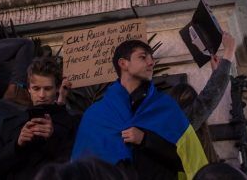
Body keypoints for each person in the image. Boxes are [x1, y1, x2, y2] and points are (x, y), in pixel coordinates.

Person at [72, 40, 208, 179]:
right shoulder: (95, 115)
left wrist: (146, 140)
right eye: (143, 57)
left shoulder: (166, 106)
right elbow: (81, 168)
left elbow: (188, 159)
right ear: (123, 63)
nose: (151, 63)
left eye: (152, 59)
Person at [0, 57, 79, 179]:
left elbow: (77, 165)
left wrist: (52, 140)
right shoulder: (11, 123)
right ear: (28, 89)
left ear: (56, 89)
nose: (42, 95)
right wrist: (17, 145)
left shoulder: (72, 122)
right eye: (36, 88)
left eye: (47, 89)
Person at [168, 32, 237, 164]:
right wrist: (228, 52)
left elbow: (207, 99)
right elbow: (208, 98)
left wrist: (217, 71)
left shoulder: (174, 131)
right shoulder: (180, 126)